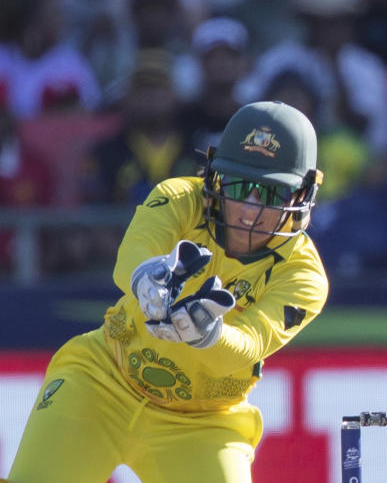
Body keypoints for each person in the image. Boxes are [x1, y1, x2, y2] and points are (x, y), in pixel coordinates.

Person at [7, 100, 328, 483]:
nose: (248, 208)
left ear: (302, 196)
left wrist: (209, 334)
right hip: (102, 381)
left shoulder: (304, 275)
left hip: (204, 423)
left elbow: (252, 342)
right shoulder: (181, 197)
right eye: (239, 186)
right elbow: (131, 258)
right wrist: (148, 283)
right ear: (214, 176)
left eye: (271, 194)